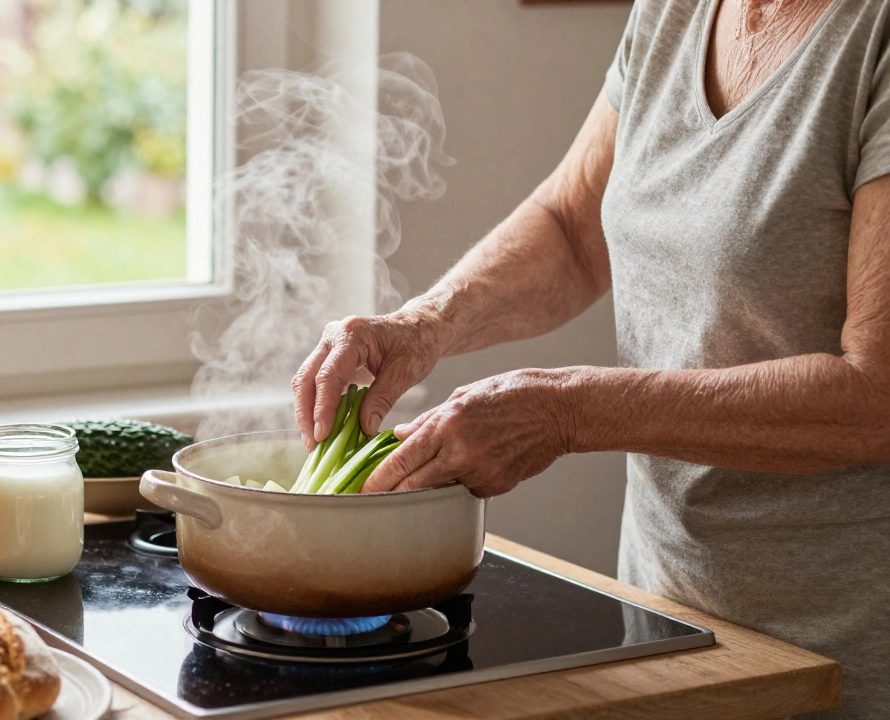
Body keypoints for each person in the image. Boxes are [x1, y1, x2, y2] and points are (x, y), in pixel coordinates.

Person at [291, 1, 890, 716]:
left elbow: (875, 396)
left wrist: (566, 409)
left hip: (848, 645)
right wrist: (426, 322)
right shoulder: (675, 10)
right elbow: (574, 229)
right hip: (668, 617)